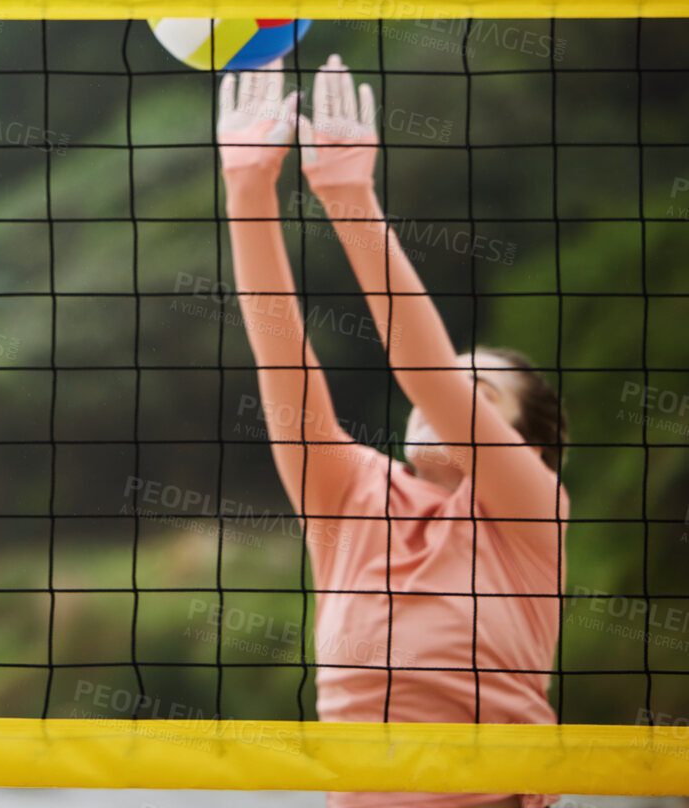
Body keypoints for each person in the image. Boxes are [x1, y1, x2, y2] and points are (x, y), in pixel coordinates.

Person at [216, 55, 570, 808]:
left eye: (481, 390)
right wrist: (246, 191)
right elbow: (282, 360)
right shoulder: (350, 493)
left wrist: (348, 197)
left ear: (526, 445)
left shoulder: (530, 509)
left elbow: (428, 378)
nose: (448, 397)